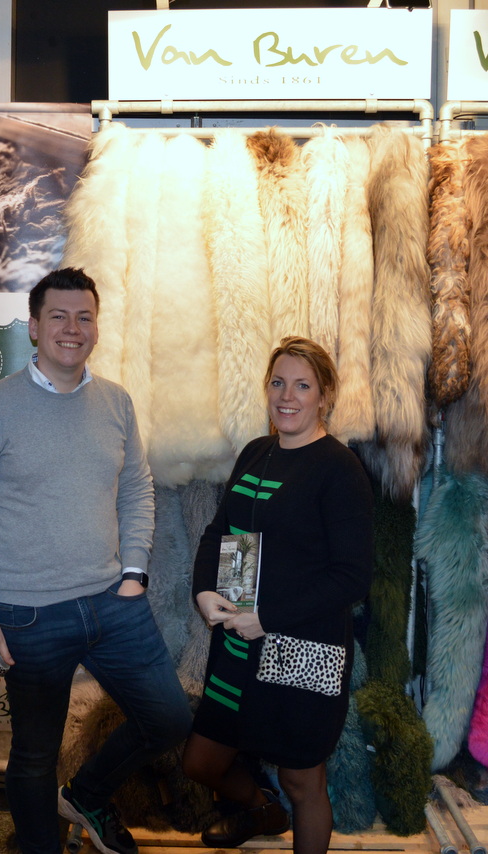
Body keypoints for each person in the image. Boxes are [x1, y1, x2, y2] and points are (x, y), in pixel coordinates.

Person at [0, 267, 192, 854]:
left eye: (84, 317)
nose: (72, 328)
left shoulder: (116, 402)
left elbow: (137, 488)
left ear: (97, 328)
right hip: (27, 614)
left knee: (169, 719)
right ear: (34, 327)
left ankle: (87, 796)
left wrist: (134, 572)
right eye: (58, 316)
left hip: (113, 602)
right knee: (35, 754)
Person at [182, 336, 373, 854]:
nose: (287, 396)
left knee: (302, 782)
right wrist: (204, 591)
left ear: (325, 396)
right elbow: (220, 532)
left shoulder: (340, 468)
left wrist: (267, 617)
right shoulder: (256, 453)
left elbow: (353, 577)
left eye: (303, 386)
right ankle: (262, 811)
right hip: (237, 644)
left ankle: (279, 812)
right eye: (278, 383)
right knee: (201, 762)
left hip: (302, 647)